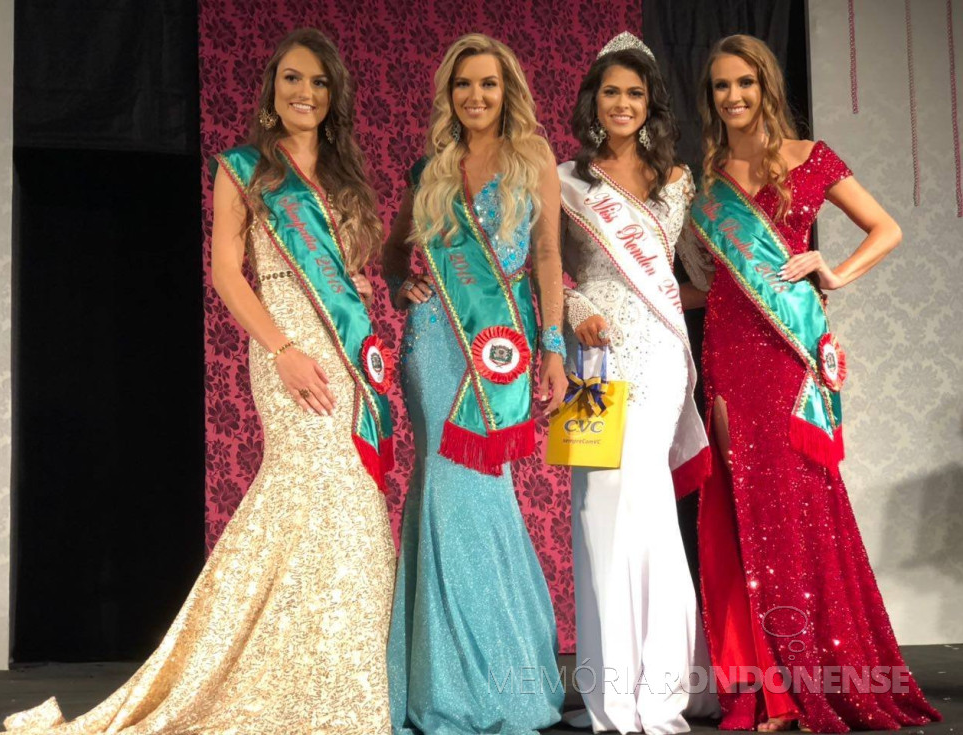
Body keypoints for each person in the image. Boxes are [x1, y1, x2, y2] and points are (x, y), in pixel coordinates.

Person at [0, 28, 397, 735]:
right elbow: (224, 272)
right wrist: (280, 348)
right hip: (287, 350)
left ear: (335, 96)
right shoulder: (244, 167)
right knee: (315, 497)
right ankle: (247, 671)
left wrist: (359, 281)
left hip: (346, 349)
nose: (303, 93)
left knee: (349, 517)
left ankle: (327, 680)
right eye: (291, 80)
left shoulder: (341, 178)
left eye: (317, 83)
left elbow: (345, 265)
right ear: (273, 90)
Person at [679, 34, 942, 733]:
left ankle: (815, 676)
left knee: (798, 512)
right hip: (730, 355)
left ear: (767, 85)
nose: (733, 97)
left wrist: (833, 269)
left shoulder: (812, 158)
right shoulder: (705, 177)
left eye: (745, 83)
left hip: (789, 357)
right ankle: (772, 689)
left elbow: (885, 229)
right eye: (720, 87)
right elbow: (705, 288)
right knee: (746, 515)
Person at [382, 32, 568, 735]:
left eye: (488, 84)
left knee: (484, 495)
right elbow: (396, 250)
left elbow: (549, 253)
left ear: (507, 90)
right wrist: (405, 282)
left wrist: (552, 345)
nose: (476, 96)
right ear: (449, 95)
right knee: (439, 490)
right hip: (434, 342)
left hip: (499, 345)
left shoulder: (533, 158)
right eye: (464, 85)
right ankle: (443, 680)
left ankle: (503, 672)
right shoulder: (434, 167)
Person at [556, 32, 718, 735]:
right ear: (595, 99)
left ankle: (661, 689)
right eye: (611, 91)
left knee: (646, 502)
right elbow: (544, 276)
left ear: (651, 102)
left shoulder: (678, 179)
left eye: (635, 92)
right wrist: (576, 305)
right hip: (592, 361)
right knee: (598, 507)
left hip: (655, 355)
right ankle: (610, 691)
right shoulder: (565, 178)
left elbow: (701, 278)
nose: (623, 103)